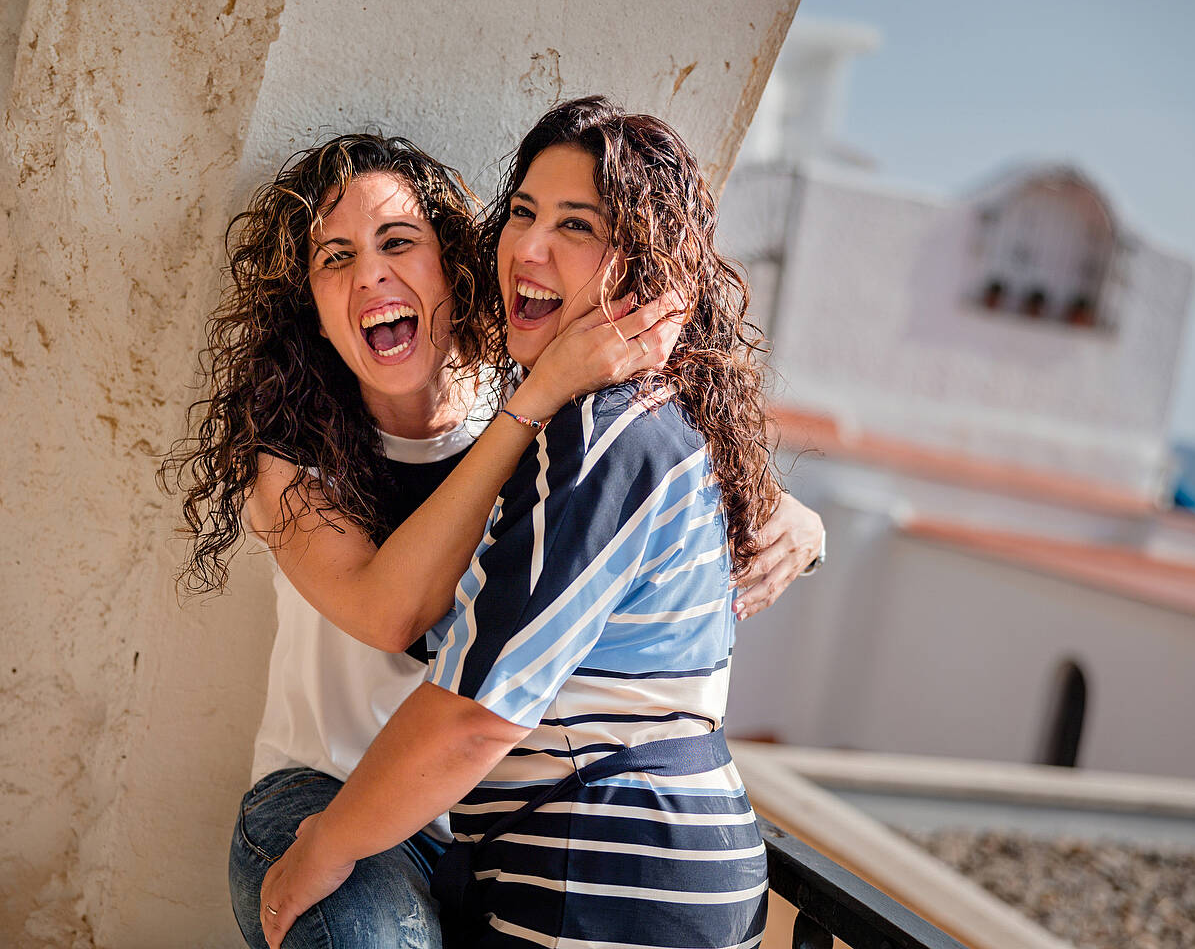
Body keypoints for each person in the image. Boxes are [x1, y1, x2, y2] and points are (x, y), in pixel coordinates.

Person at [163, 131, 822, 948]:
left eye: (398, 241)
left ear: (454, 266)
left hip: (482, 827)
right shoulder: (291, 466)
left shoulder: (532, 424)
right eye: (334, 257)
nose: (370, 273)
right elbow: (391, 613)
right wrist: (538, 396)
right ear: (314, 311)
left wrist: (799, 520)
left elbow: (648, 483)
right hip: (327, 800)